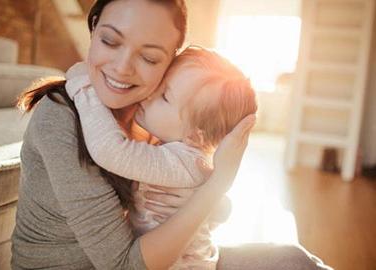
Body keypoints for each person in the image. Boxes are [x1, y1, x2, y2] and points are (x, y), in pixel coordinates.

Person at [12, 0, 332, 269]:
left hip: (171, 255)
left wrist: (203, 198)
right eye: (110, 40)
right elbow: (125, 264)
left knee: (292, 259)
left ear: (170, 61)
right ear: (93, 27)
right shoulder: (61, 116)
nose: (123, 68)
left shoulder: (151, 113)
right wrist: (216, 185)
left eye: (149, 57)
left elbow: (214, 208)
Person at [64, 46, 258, 269]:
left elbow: (111, 150)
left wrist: (84, 86)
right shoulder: (190, 158)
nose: (149, 95)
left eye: (165, 96)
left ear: (195, 135)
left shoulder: (180, 163)